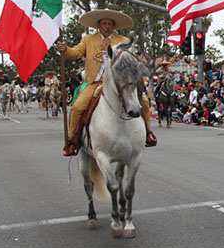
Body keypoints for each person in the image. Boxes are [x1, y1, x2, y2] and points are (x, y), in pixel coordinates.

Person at [55, 9, 156, 156]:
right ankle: (73, 140)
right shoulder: (88, 40)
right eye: (104, 23)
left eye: (110, 23)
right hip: (95, 83)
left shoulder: (122, 41)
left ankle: (147, 133)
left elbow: (130, 60)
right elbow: (75, 53)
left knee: (144, 102)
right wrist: (65, 49)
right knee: (77, 107)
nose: (107, 26)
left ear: (114, 26)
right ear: (98, 25)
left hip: (118, 83)